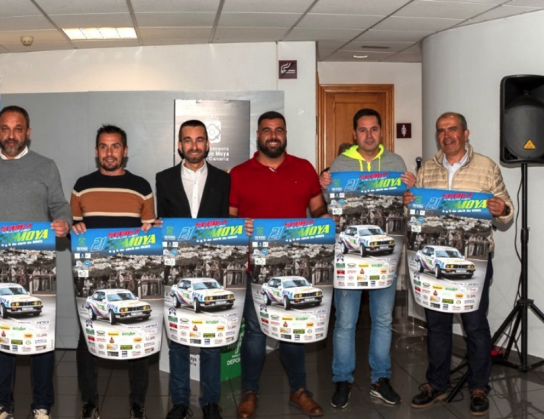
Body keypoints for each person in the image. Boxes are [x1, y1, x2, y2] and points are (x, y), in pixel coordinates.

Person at [0, 105, 72, 419]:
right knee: (1, 333)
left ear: (28, 133)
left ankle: (42, 404)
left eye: (17, 129)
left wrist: (63, 222)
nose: (11, 135)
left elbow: (60, 205)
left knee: (40, 336)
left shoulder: (46, 166)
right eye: (5, 129)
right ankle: (1, 404)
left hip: (37, 267)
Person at [408, 112, 513, 416]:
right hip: (435, 260)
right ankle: (436, 384)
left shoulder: (486, 166)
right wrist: (409, 203)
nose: (446, 135)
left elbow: (506, 209)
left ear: (466, 133)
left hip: (473, 261)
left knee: (475, 326)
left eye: (452, 129)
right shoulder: (427, 168)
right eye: (441, 130)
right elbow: (418, 212)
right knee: (437, 326)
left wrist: (502, 208)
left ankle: (479, 387)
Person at [229, 111, 328, 418]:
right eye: (267, 130)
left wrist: (325, 220)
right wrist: (239, 226)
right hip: (255, 267)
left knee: (291, 329)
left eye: (279, 130)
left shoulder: (304, 168)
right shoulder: (238, 173)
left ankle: (299, 390)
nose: (273, 135)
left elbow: (317, 208)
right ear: (258, 136)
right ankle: (249, 392)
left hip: (295, 268)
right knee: (255, 333)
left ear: (285, 134)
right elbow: (229, 217)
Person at [318, 109, 415, 409]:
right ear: (354, 134)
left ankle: (380, 379)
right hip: (349, 257)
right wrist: (325, 187)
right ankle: (342, 379)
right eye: (363, 130)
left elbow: (405, 206)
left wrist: (410, 191)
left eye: (374, 129)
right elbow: (330, 206)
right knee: (346, 321)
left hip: (384, 256)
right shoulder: (340, 164)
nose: (369, 135)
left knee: (383, 320)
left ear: (381, 132)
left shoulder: (396, 163)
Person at [69, 124, 156, 419]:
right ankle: (89, 402)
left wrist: (153, 228)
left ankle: (137, 403)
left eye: (115, 146)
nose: (109, 152)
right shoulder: (81, 186)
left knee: (136, 334)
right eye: (104, 147)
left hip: (130, 277)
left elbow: (149, 229)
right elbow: (73, 228)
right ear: (96, 151)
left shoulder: (142, 187)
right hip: (92, 278)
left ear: (125, 151)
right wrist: (74, 228)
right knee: (87, 337)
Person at [156, 120, 232, 419]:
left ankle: (210, 401)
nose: (194, 145)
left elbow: (228, 222)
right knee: (178, 339)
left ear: (208, 144)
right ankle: (180, 402)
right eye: (188, 140)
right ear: (180, 145)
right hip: (178, 272)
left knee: (210, 338)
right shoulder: (163, 179)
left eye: (200, 139)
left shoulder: (223, 179)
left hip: (212, 271)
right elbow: (163, 221)